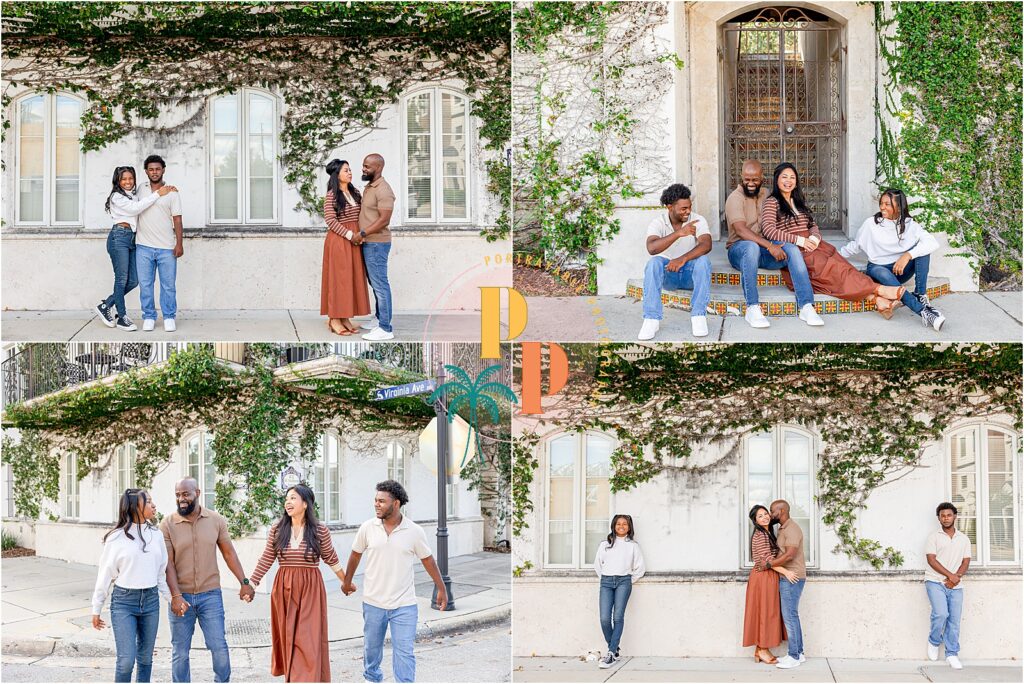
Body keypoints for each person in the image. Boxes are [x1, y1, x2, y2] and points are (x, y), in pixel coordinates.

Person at [760, 163, 904, 318]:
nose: (788, 181)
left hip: (814, 246)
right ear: (777, 180)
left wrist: (815, 237)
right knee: (835, 271)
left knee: (842, 268)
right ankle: (880, 290)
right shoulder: (772, 202)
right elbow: (768, 230)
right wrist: (800, 240)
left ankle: (877, 300)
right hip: (796, 250)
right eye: (784, 177)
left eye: (792, 177)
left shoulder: (798, 200)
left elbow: (812, 225)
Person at [342, 480, 449, 684]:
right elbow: (355, 555)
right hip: (373, 602)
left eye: (381, 501)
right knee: (371, 649)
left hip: (404, 604)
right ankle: (372, 679)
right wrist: (347, 582)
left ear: (396, 504)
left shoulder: (414, 531)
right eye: (375, 500)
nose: (376, 504)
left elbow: (428, 560)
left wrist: (441, 588)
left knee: (404, 652)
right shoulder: (367, 528)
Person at [160, 477, 256, 683]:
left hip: (210, 595)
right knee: (180, 651)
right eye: (177, 495)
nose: (181, 499)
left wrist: (244, 582)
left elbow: (229, 553)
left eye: (186, 494)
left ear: (197, 493)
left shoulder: (216, 520)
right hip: (181, 596)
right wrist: (175, 596)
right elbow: (167, 564)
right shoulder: (167, 524)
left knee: (218, 646)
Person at [250, 485, 345, 682]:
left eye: (293, 498)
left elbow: (331, 558)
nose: (288, 502)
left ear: (305, 503)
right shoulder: (277, 529)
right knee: (288, 637)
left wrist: (346, 582)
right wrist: (251, 584)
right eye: (287, 498)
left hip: (310, 589)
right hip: (283, 588)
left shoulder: (320, 530)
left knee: (307, 639)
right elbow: (267, 557)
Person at [724, 160, 823, 328]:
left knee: (791, 248)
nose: (751, 183)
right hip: (739, 250)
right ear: (741, 177)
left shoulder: (766, 194)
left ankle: (806, 305)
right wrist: (770, 246)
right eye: (747, 179)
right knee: (751, 246)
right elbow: (741, 231)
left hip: (764, 250)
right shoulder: (735, 198)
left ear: (762, 177)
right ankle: (752, 307)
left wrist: (806, 235)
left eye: (755, 179)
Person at [91, 489, 171, 683]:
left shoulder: (156, 535)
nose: (154, 505)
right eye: (149, 501)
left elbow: (161, 572)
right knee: (126, 661)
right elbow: (105, 574)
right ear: (135, 506)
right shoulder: (116, 538)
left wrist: (172, 599)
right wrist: (96, 608)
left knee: (145, 659)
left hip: (151, 601)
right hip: (124, 603)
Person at [841, 188, 946, 330]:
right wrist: (832, 255)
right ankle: (923, 312)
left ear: (899, 207)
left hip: (900, 270)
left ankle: (920, 294)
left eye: (887, 204)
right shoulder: (871, 224)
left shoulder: (910, 225)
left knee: (923, 251)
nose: (882, 207)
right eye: (881, 203)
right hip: (878, 270)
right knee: (882, 272)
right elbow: (854, 246)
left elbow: (932, 243)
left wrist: (907, 255)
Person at [95, 166, 177, 332]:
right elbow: (136, 208)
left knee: (134, 280)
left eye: (130, 178)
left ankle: (106, 305)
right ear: (117, 180)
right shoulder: (117, 197)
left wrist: (167, 190)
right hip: (119, 238)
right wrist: (158, 193)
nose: (128, 182)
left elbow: (146, 201)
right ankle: (122, 317)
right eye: (124, 179)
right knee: (121, 279)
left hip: (133, 239)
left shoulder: (133, 194)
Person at [637, 183, 713, 340]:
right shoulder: (658, 223)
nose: (688, 211)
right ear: (669, 207)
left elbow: (707, 244)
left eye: (689, 207)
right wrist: (679, 233)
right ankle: (651, 319)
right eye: (683, 209)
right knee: (654, 263)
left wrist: (682, 259)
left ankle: (698, 316)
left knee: (703, 261)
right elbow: (652, 248)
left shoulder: (697, 220)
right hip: (669, 275)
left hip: (689, 274)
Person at [321, 158, 371, 336]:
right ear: (337, 175)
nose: (349, 173)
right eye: (345, 170)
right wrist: (351, 235)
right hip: (340, 241)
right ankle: (334, 318)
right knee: (338, 280)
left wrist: (361, 234)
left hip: (355, 241)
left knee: (351, 279)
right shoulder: (331, 196)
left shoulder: (355, 192)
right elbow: (330, 221)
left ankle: (345, 317)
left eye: (350, 170)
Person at [743, 505, 797, 665]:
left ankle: (761, 649)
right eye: (760, 516)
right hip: (763, 577)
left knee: (768, 612)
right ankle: (762, 649)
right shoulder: (760, 535)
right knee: (764, 612)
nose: (765, 517)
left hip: (769, 576)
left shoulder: (768, 533)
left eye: (766, 514)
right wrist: (786, 572)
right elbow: (766, 561)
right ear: (755, 521)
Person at [136, 155, 184, 332]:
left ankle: (169, 316)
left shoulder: (172, 192)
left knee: (168, 285)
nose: (154, 172)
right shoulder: (140, 189)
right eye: (151, 169)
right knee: (145, 284)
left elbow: (177, 220)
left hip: (166, 248)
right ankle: (149, 316)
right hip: (143, 246)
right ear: (146, 171)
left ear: (163, 170)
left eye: (157, 169)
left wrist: (179, 244)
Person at [353, 153, 397, 341]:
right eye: (363, 165)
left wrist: (362, 233)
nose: (363, 169)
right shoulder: (370, 187)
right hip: (369, 242)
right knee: (374, 282)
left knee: (380, 285)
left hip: (377, 243)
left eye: (367, 167)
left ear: (378, 168)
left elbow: (384, 219)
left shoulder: (384, 190)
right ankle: (379, 319)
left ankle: (385, 329)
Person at [593, 514, 645, 669]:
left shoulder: (633, 545)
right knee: (604, 618)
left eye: (625, 524)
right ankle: (614, 650)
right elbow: (598, 565)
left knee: (618, 617)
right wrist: (605, 578)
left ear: (629, 527)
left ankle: (610, 653)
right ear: (614, 526)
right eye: (618, 524)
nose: (621, 526)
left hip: (624, 582)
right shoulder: (605, 544)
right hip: (606, 582)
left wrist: (628, 580)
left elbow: (640, 567)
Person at [925, 502, 971, 670]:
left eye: (949, 515)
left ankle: (951, 654)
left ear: (955, 516)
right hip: (935, 581)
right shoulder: (933, 537)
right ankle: (934, 640)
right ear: (939, 518)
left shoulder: (964, 538)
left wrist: (956, 577)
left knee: (954, 620)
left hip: (956, 585)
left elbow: (966, 562)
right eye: (943, 515)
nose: (946, 518)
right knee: (941, 614)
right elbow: (931, 560)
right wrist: (949, 575)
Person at [768, 499, 807, 669]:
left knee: (790, 616)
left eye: (772, 511)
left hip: (792, 577)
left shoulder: (792, 528)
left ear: (781, 511)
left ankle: (794, 656)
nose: (770, 515)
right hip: (789, 576)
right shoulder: (783, 528)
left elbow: (790, 554)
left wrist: (770, 564)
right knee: (792, 615)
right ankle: (799, 653)